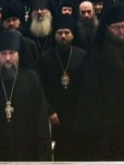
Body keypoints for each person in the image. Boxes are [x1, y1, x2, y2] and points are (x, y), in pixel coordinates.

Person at [76, 3, 124, 160]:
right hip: (110, 114)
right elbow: (91, 87)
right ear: (108, 29)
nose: (121, 31)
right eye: (116, 28)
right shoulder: (99, 51)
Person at [0, 30, 50, 161]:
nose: (7, 58)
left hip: (27, 150)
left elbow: (40, 119)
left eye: (12, 53)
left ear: (19, 55)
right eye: (3, 53)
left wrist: (42, 155)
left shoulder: (32, 79)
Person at [38, 14, 88, 160]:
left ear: (73, 35)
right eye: (59, 33)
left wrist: (83, 111)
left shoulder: (82, 56)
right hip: (54, 115)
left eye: (67, 32)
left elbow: (87, 86)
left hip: (77, 113)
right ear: (54, 36)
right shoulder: (45, 58)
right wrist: (49, 111)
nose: (63, 36)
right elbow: (39, 87)